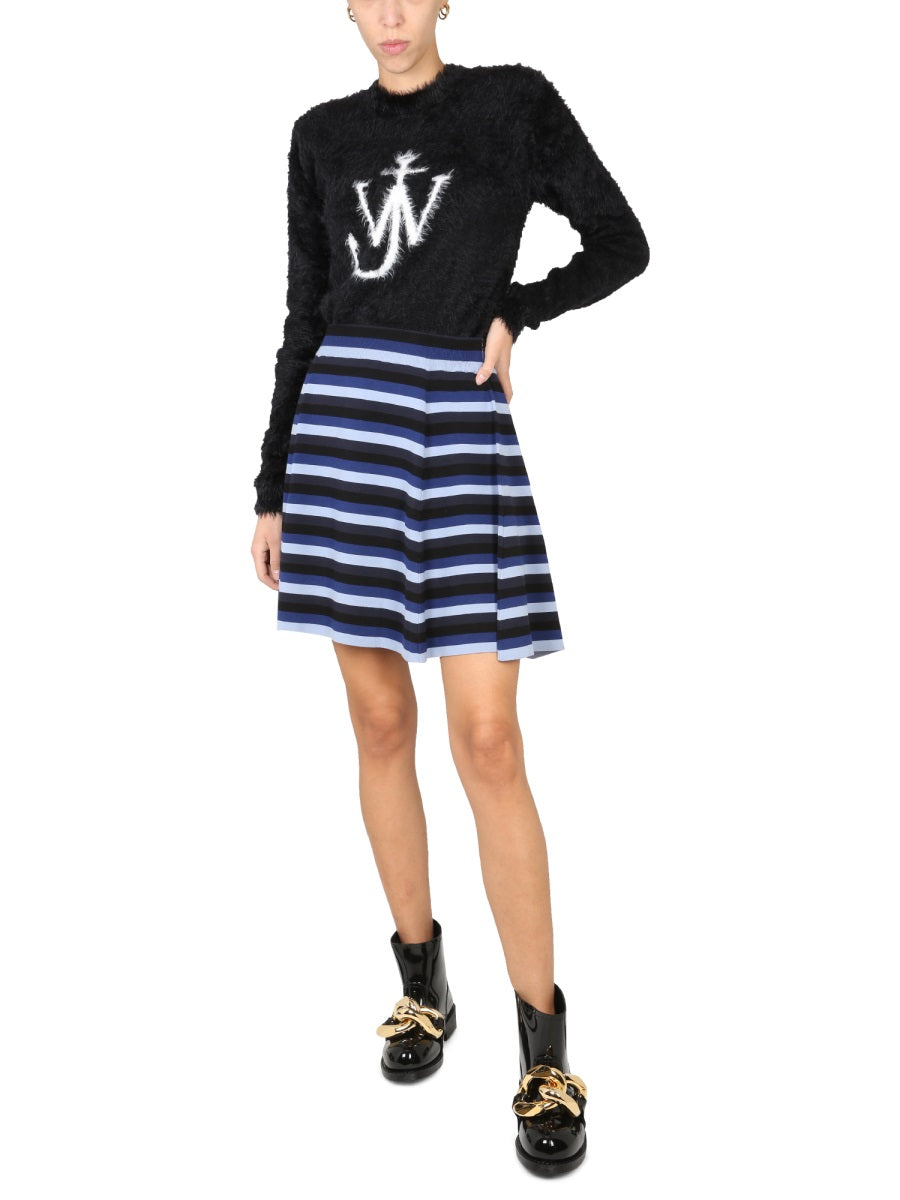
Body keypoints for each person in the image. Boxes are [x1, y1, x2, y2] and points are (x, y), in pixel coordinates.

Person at [249, 1, 649, 1176]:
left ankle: (545, 1053)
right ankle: (422, 984)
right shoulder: (321, 135)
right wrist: (271, 484)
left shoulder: (511, 104)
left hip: (452, 433)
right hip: (342, 438)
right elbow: (304, 313)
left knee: (489, 741)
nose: (387, 15)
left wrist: (517, 309)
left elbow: (621, 241)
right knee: (380, 722)